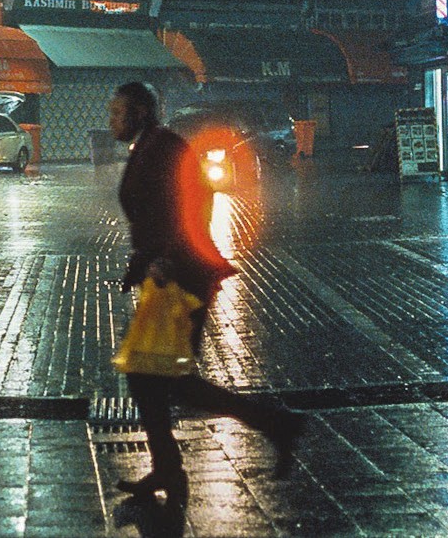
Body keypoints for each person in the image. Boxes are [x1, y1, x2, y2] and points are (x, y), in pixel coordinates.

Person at [109, 81, 304, 507]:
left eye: (117, 113)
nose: (111, 122)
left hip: (183, 277)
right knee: (153, 378)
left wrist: (167, 257)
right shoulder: (148, 146)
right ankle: (174, 464)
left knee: (163, 377)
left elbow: (195, 200)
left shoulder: (164, 147)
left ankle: (273, 425)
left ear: (140, 112)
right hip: (167, 275)